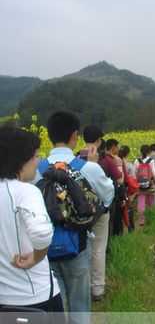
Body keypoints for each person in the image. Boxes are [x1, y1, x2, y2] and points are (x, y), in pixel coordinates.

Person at [34, 111, 114, 324]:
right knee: (79, 306)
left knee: (55, 306)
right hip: (77, 244)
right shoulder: (88, 167)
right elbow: (108, 196)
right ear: (74, 135)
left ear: (49, 135)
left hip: (44, 248)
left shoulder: (36, 169)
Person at [0, 126, 64, 319]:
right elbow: (41, 234)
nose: (38, 162)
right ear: (20, 160)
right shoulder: (26, 191)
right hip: (34, 296)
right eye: (36, 156)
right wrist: (37, 257)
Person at [77, 126, 111, 303]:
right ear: (98, 140)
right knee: (98, 249)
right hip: (98, 212)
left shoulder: (75, 156)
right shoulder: (101, 159)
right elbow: (108, 192)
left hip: (78, 213)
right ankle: (97, 289)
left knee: (84, 249)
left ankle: (84, 285)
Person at [99, 139, 126, 238]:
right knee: (108, 224)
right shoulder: (110, 160)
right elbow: (120, 180)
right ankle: (109, 248)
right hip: (108, 197)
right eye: (117, 146)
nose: (118, 149)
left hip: (92, 199)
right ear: (113, 146)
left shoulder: (82, 157)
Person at [134, 145, 155, 226]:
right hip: (150, 184)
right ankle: (150, 218)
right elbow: (154, 173)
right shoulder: (151, 160)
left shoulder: (137, 161)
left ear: (140, 151)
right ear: (149, 152)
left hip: (140, 185)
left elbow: (134, 173)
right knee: (151, 201)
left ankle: (141, 220)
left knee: (141, 202)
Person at [118, 146, 137, 233]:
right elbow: (133, 177)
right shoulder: (129, 165)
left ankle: (122, 229)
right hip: (128, 189)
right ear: (128, 153)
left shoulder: (117, 162)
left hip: (119, 189)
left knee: (121, 210)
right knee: (129, 208)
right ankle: (130, 228)